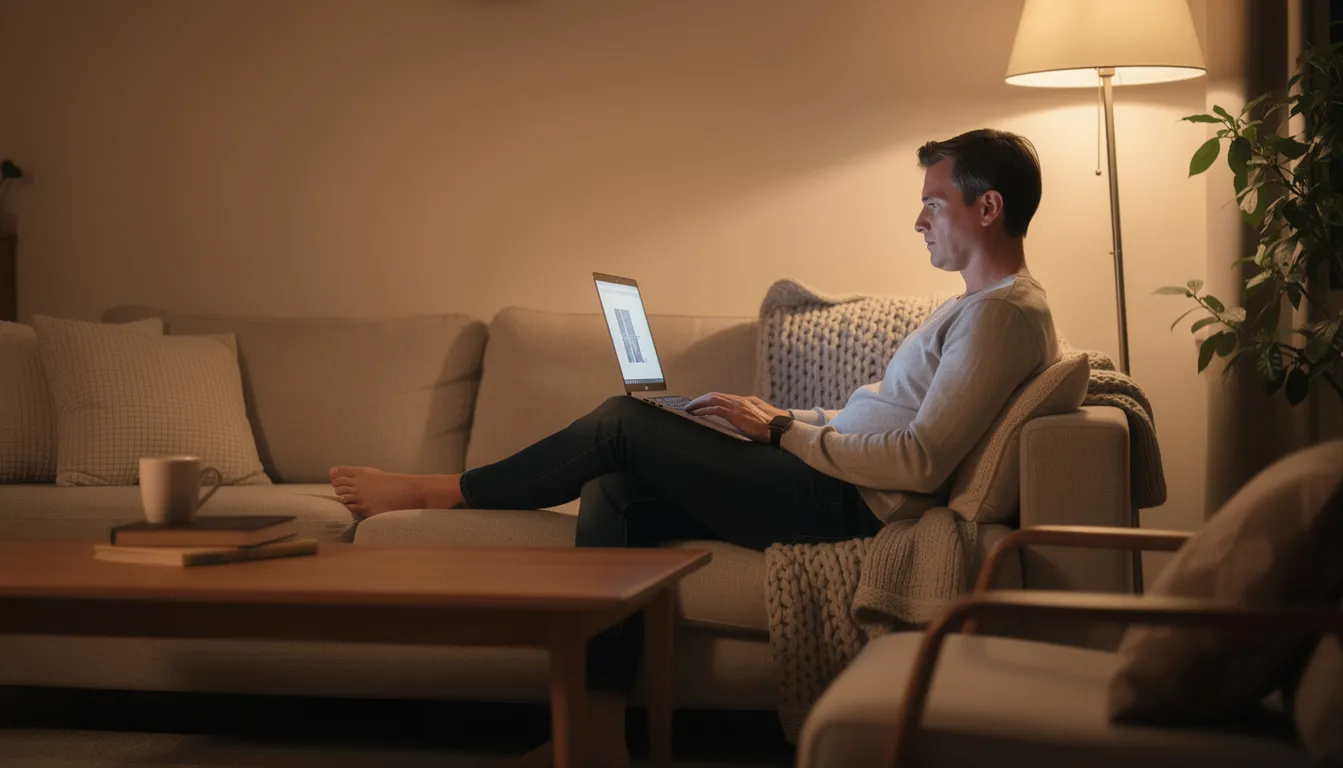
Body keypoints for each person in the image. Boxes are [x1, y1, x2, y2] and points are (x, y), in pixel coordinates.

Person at [329, 128, 1060, 768]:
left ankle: (444, 490)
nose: (918, 220)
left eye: (932, 203)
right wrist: (783, 415)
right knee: (612, 493)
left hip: (852, 503)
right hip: (829, 472)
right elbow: (887, 419)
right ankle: (597, 736)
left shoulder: (1003, 317)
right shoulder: (972, 307)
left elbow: (922, 462)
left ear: (986, 208)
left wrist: (782, 434)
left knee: (621, 422)